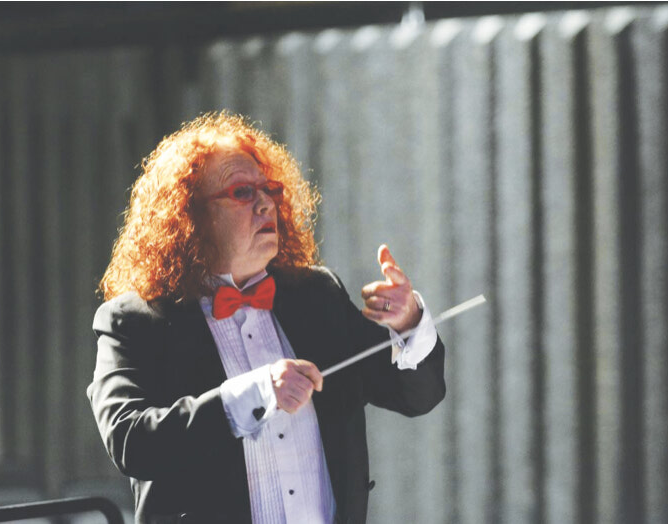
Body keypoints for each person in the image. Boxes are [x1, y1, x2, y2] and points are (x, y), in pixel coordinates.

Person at [87, 111, 446, 523]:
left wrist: (408, 323)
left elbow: (417, 396)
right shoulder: (133, 321)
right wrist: (255, 393)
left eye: (269, 189)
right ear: (190, 216)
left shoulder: (318, 295)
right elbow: (131, 442)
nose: (266, 203)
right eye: (242, 192)